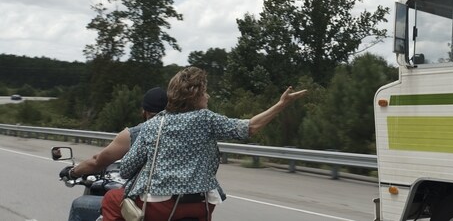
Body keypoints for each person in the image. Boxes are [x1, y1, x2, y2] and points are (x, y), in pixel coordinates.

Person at [101, 66, 307, 221]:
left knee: (111, 199)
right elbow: (249, 127)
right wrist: (281, 105)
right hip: (202, 206)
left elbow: (127, 169)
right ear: (194, 97)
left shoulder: (154, 124)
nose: (207, 96)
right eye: (204, 92)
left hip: (159, 207)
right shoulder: (207, 119)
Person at [58, 87, 168, 221]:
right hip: (178, 204)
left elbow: (98, 161)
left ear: (144, 111)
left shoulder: (138, 133)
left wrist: (72, 172)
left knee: (80, 205)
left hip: (147, 203)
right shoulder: (183, 133)